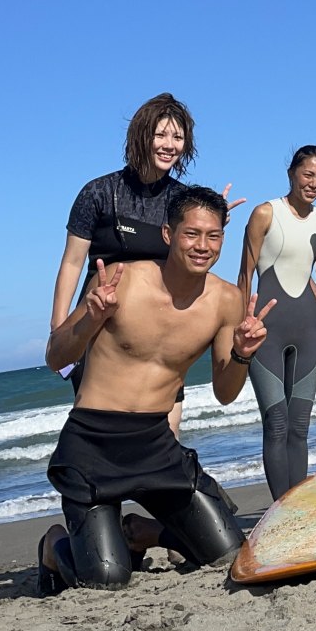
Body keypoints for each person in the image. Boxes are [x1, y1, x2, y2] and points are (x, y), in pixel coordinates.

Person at [36, 187, 270, 592]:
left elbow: (225, 392)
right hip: (93, 443)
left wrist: (242, 354)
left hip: (156, 445)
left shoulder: (226, 300)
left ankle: (142, 532)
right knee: (107, 578)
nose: (203, 246)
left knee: (229, 554)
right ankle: (53, 546)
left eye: (213, 236)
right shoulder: (121, 280)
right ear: (168, 234)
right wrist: (91, 319)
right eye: (191, 234)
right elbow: (56, 356)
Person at [48, 93, 243, 431]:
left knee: (165, 435)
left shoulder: (180, 200)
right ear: (141, 136)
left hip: (161, 329)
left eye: (178, 137)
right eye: (161, 134)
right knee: (104, 430)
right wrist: (59, 327)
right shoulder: (98, 193)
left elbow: (190, 258)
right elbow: (72, 262)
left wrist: (210, 222)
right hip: (103, 323)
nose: (170, 145)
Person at [236, 145, 316, 499]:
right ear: (292, 173)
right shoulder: (266, 213)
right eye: (308, 174)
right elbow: (245, 274)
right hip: (267, 328)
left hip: (307, 326)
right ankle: (279, 508)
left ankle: (297, 506)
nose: (314, 183)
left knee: (299, 426)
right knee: (276, 423)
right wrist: (243, 321)